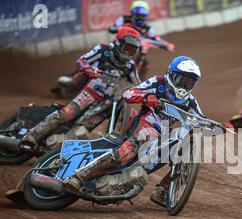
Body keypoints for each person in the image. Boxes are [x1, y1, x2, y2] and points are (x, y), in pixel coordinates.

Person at [62, 56, 205, 207]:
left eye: (189, 82)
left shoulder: (190, 101)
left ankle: (163, 190)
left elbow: (202, 120)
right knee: (131, 148)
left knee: (186, 152)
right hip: (145, 125)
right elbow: (129, 94)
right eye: (182, 80)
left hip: (161, 139)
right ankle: (79, 177)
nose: (184, 86)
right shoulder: (157, 83)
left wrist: (224, 126)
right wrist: (146, 97)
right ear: (172, 74)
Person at [23, 27, 142, 147]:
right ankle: (31, 135)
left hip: (107, 103)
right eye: (126, 48)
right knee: (66, 114)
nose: (128, 53)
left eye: (132, 50)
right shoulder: (103, 50)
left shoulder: (130, 66)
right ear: (118, 43)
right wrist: (88, 69)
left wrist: (142, 93)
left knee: (83, 128)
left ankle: (56, 147)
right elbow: (82, 60)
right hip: (90, 92)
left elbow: (138, 84)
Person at [108, 1, 175, 79]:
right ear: (132, 13)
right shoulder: (124, 19)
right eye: (138, 15)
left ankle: (137, 82)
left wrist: (166, 44)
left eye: (142, 15)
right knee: (106, 51)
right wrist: (117, 28)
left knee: (145, 64)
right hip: (118, 46)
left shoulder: (148, 29)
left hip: (134, 50)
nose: (140, 17)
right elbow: (112, 28)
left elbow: (156, 38)